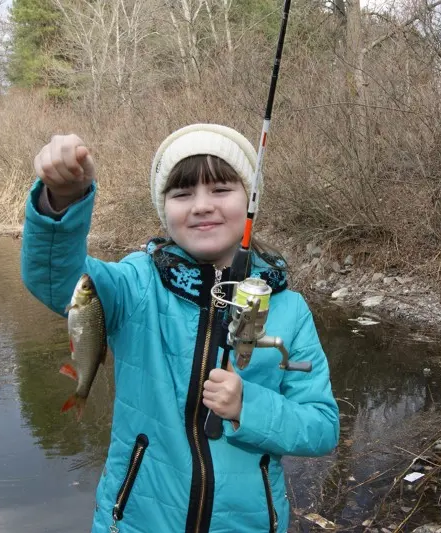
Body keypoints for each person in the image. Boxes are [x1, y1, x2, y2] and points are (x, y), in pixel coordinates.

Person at [20, 123, 340, 533]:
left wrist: (249, 407)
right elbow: (54, 277)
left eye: (221, 190)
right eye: (182, 193)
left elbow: (322, 427)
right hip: (134, 522)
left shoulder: (290, 311)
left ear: (251, 201)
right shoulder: (135, 284)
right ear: (163, 209)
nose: (202, 206)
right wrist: (63, 200)